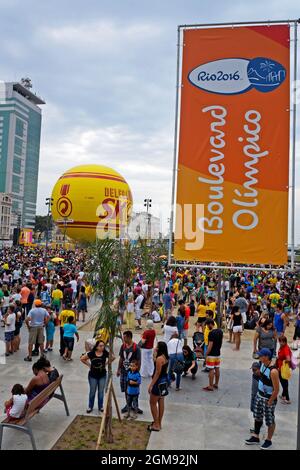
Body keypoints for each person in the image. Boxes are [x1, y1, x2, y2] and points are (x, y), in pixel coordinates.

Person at [245, 348, 280, 450]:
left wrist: (270, 402)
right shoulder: (263, 365)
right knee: (257, 416)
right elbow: (262, 377)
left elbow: (276, 389)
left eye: (261, 356)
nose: (259, 357)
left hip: (268, 399)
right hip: (260, 396)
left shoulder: (273, 371)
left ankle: (268, 440)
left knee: (270, 420)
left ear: (266, 357)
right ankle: (256, 436)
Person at [80, 340, 110, 413]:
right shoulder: (92, 353)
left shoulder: (105, 353)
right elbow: (82, 358)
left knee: (101, 392)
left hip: (102, 375)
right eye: (100, 346)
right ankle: (90, 406)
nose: (102, 347)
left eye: (103, 345)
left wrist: (106, 364)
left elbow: (113, 357)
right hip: (93, 375)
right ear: (96, 347)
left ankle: (101, 406)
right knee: (92, 391)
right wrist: (89, 365)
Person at [117, 330, 142, 414]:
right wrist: (118, 369)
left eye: (124, 338)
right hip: (124, 372)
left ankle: (135, 406)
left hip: (132, 373)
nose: (123, 339)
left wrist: (137, 373)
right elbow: (121, 358)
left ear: (129, 337)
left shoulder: (136, 348)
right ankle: (128, 405)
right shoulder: (123, 346)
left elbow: (139, 360)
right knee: (125, 389)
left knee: (133, 389)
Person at [148, 341, 169, 432]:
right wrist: (154, 354)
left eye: (157, 346)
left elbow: (157, 373)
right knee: (161, 400)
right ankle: (159, 422)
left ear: (160, 348)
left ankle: (156, 424)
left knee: (152, 403)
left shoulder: (159, 359)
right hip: (164, 381)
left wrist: (151, 385)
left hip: (158, 382)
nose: (155, 347)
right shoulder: (166, 357)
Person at [203, 319, 223, 392]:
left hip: (211, 354)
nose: (208, 327)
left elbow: (210, 345)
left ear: (210, 324)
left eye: (208, 326)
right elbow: (221, 342)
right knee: (217, 368)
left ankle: (210, 386)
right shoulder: (220, 331)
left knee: (211, 369)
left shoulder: (211, 333)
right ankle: (216, 384)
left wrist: (206, 354)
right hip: (218, 353)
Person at [276, 336, 292, 405]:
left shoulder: (285, 348)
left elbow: (288, 359)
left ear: (285, 341)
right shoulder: (282, 347)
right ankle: (283, 395)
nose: (281, 343)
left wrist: (284, 362)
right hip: (280, 368)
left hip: (282, 369)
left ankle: (287, 399)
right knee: (284, 382)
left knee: (284, 383)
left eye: (283, 341)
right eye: (280, 341)